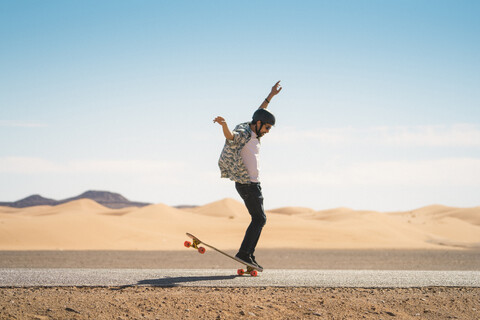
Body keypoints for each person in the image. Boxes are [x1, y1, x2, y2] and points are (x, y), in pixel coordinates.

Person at [213, 81, 282, 269]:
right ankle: (245, 254)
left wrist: (271, 96)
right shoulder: (244, 132)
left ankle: (248, 255)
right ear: (258, 124)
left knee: (259, 218)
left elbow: (259, 112)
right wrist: (224, 125)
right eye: (267, 127)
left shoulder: (255, 131)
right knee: (259, 219)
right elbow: (231, 137)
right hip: (247, 184)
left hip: (252, 184)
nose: (268, 132)